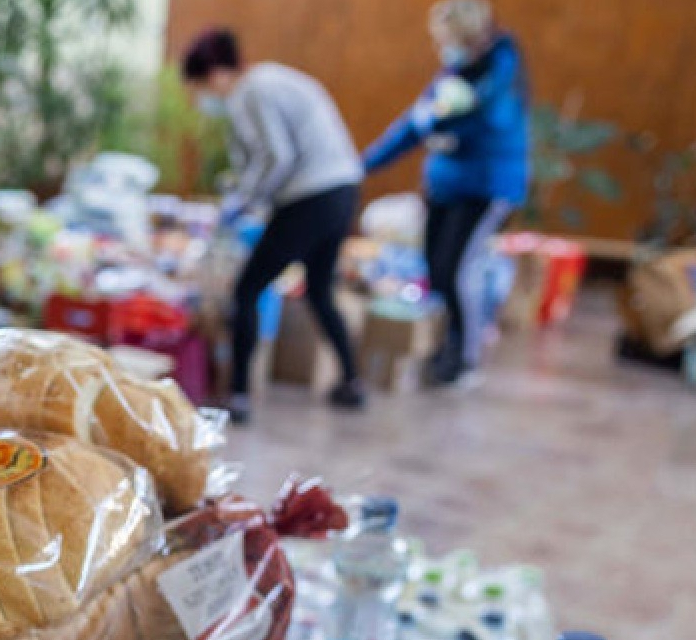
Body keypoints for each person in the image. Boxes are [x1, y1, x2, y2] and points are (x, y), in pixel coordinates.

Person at [183, 29, 366, 424]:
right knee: (319, 290)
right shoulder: (274, 78)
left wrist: (244, 200)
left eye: (199, 85)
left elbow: (276, 157)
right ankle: (351, 381)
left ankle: (240, 396)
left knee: (248, 288)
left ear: (214, 74)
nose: (203, 96)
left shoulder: (251, 91)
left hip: (310, 195)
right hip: (342, 190)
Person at [364, 0, 530, 385]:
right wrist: (364, 164)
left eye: (451, 39)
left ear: (471, 34)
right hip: (445, 187)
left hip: (485, 189)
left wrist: (447, 126)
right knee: (435, 268)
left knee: (459, 270)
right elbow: (416, 123)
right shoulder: (454, 73)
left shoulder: (503, 71)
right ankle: (440, 348)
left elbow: (492, 122)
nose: (445, 47)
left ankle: (465, 359)